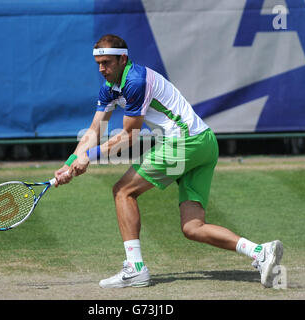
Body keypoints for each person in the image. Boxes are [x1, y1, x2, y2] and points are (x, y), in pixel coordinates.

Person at [54, 34, 283, 289]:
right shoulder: (109, 88)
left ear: (123, 59)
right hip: (205, 142)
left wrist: (91, 156)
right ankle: (261, 252)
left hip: (184, 143)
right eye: (98, 63)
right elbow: (95, 129)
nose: (101, 69)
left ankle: (135, 268)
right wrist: (71, 161)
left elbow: (130, 135)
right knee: (193, 227)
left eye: (107, 63)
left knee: (123, 191)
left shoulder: (135, 80)